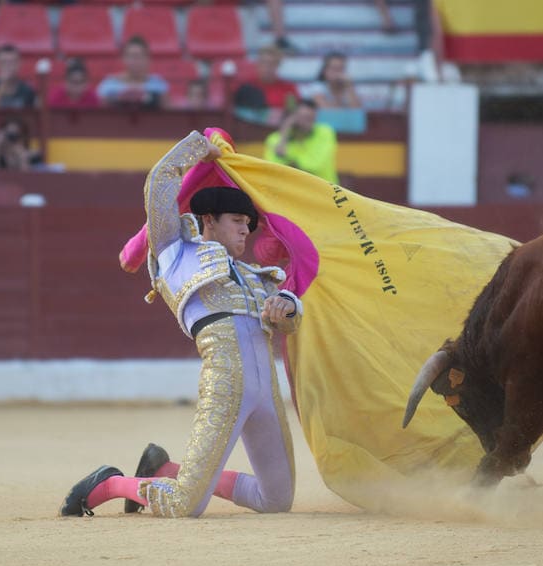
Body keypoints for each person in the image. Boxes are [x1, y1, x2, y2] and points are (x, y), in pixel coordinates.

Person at [59, 131, 303, 518]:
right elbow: (159, 181)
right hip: (225, 382)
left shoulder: (258, 276)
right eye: (237, 221)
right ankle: (108, 484)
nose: (245, 230)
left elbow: (291, 323)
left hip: (268, 392)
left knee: (277, 501)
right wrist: (199, 146)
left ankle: (166, 470)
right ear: (209, 220)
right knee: (184, 504)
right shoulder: (176, 253)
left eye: (248, 224)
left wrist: (286, 307)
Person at [263, 99, 339, 183]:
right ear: (291, 117)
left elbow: (315, 166)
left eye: (311, 118)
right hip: (289, 189)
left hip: (323, 189)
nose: (307, 123)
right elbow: (273, 168)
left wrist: (288, 159)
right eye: (303, 117)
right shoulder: (275, 138)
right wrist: (284, 134)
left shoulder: (325, 133)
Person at [96, 35, 169, 109]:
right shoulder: (108, 85)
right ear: (123, 58)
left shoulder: (158, 85)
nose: (135, 61)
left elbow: (167, 116)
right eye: (131, 56)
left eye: (139, 56)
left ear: (148, 59)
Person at [232, 45, 300, 111]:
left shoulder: (289, 89)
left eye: (272, 63)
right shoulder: (245, 88)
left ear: (278, 66)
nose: (267, 67)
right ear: (257, 64)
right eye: (263, 62)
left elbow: (293, 113)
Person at [0, 44, 37, 109]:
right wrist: (2, 87)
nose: (8, 66)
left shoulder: (28, 90)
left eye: (12, 62)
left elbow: (34, 116)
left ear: (20, 63)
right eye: (3, 62)